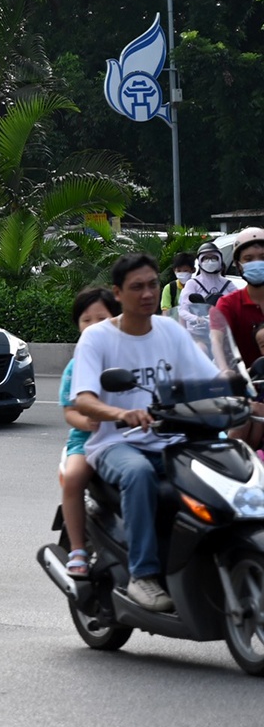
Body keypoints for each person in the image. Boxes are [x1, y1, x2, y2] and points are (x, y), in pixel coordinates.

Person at [69, 253, 229, 612]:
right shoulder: (97, 338)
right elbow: (83, 400)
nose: (147, 293)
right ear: (118, 293)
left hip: (173, 439)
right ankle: (143, 576)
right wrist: (122, 413)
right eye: (137, 287)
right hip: (116, 442)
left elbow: (209, 378)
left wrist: (237, 387)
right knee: (139, 474)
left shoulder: (171, 330)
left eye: (153, 284)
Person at [56, 287, 121, 578]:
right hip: (88, 439)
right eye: (86, 320)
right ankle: (78, 549)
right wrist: (87, 423)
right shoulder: (76, 364)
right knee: (73, 478)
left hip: (129, 436)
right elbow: (70, 410)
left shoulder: (130, 356)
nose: (93, 326)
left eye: (102, 318)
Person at [210, 228, 264, 373]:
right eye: (248, 259)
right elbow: (216, 339)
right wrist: (224, 369)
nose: (257, 263)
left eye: (262, 257)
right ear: (238, 264)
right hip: (246, 388)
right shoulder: (229, 304)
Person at [176, 241, 238, 354]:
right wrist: (196, 319)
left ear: (220, 260)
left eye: (214, 258)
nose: (210, 261)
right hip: (199, 334)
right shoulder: (192, 283)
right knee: (201, 351)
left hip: (224, 333)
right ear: (199, 262)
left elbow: (240, 304)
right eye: (206, 258)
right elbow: (182, 310)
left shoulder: (228, 284)